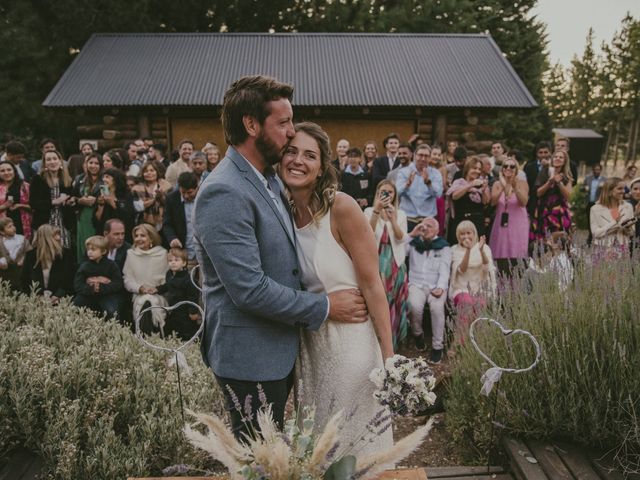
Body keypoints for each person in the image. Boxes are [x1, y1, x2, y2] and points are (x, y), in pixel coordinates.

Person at [193, 75, 367, 438]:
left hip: (282, 349)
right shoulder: (223, 191)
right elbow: (249, 289)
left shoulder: (269, 177)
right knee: (254, 460)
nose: (291, 132)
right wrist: (325, 307)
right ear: (251, 124)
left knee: (276, 456)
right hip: (249, 357)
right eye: (284, 122)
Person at [280, 121, 393, 456]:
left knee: (351, 448)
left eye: (309, 155)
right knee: (316, 450)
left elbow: (373, 285)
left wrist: (390, 359)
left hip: (350, 348)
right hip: (310, 349)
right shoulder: (282, 213)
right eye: (291, 151)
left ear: (321, 167)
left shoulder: (341, 208)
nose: (298, 160)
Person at [364, 180, 409, 351]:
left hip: (395, 263)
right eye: (383, 191)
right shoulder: (368, 211)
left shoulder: (401, 214)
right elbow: (366, 234)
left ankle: (393, 343)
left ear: (394, 195)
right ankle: (375, 344)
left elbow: (400, 238)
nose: (387, 195)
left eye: (390, 192)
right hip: (376, 262)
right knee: (378, 302)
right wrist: (376, 211)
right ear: (377, 193)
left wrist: (393, 219)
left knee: (393, 303)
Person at [404, 217, 451, 363]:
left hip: (435, 285)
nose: (426, 228)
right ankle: (418, 334)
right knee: (414, 305)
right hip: (416, 284)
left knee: (437, 308)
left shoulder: (443, 246)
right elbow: (398, 249)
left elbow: (445, 270)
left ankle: (437, 347)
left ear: (437, 230)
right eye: (423, 225)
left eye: (430, 226)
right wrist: (413, 233)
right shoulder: (413, 243)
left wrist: (441, 287)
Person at [449, 221, 496, 338]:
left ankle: (478, 342)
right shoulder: (454, 249)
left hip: (480, 288)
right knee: (467, 303)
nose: (465, 236)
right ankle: (460, 342)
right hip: (461, 288)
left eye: (468, 233)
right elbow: (461, 270)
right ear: (457, 236)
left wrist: (480, 251)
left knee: (480, 305)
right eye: (462, 234)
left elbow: (487, 268)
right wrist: (468, 251)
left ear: (474, 233)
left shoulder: (485, 247)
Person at [122, 223, 169, 334]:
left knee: (152, 301)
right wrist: (140, 288)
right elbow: (127, 279)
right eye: (136, 236)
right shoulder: (131, 254)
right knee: (145, 301)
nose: (138, 239)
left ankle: (154, 338)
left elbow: (168, 279)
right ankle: (145, 337)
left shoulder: (162, 254)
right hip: (139, 295)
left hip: (159, 294)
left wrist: (156, 289)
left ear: (151, 237)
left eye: (142, 235)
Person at [489, 158, 529, 277]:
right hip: (501, 224)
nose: (508, 168)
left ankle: (517, 286)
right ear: (502, 169)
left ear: (516, 170)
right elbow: (493, 202)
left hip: (518, 224)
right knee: (500, 252)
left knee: (516, 254)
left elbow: (523, 202)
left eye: (512, 166)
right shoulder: (497, 184)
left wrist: (514, 186)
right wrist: (503, 184)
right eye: (505, 166)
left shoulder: (522, 183)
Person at [29, 150, 76, 250]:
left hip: (63, 223)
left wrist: (71, 202)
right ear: (45, 164)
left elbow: (71, 199)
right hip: (44, 223)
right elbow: (33, 203)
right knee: (44, 252)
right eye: (48, 159)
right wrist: (54, 202)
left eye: (55, 159)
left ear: (60, 161)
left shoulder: (67, 180)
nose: (52, 162)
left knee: (63, 253)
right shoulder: (38, 179)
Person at [73, 235, 124, 319]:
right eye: (88, 249)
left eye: (93, 249)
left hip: (107, 295)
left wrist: (100, 287)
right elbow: (78, 285)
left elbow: (118, 283)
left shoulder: (111, 265)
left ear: (103, 251)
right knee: (76, 307)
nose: (89, 252)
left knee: (111, 311)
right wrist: (92, 288)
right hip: (87, 294)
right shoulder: (84, 266)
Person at [396, 144, 444, 233]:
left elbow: (438, 194)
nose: (423, 158)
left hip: (427, 220)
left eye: (426, 156)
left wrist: (428, 183)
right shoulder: (404, 172)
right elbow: (397, 192)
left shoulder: (435, 173)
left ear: (430, 158)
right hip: (408, 218)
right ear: (414, 156)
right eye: (420, 155)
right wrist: (407, 185)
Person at [21, 224, 75, 302]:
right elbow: (25, 280)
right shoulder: (31, 256)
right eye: (55, 235)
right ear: (45, 238)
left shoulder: (66, 255)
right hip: (36, 301)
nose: (59, 238)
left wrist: (58, 295)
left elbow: (70, 279)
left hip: (60, 301)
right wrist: (37, 296)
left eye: (59, 234)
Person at [157, 247, 201, 341]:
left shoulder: (188, 279)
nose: (173, 262)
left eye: (176, 260)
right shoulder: (169, 274)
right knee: (171, 329)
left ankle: (191, 346)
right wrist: (157, 289)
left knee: (187, 331)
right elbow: (167, 286)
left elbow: (193, 295)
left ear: (184, 263)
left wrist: (193, 311)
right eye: (170, 260)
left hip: (184, 311)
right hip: (173, 308)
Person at [530, 149, 573, 243]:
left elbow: (568, 196)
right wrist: (550, 182)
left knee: (560, 240)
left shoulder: (567, 176)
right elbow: (538, 193)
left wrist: (559, 183)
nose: (557, 158)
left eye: (561, 157)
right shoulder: (544, 172)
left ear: (565, 161)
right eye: (556, 157)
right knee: (544, 240)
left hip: (560, 212)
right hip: (544, 209)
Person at [446, 156, 490, 244]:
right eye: (474, 168)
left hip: (477, 221)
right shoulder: (459, 182)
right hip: (461, 221)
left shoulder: (481, 182)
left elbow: (486, 202)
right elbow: (454, 196)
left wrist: (484, 189)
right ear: (468, 168)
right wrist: (470, 185)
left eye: (479, 169)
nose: (477, 171)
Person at [163, 172, 199, 265]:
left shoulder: (204, 197)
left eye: (189, 192)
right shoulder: (171, 199)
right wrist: (172, 238)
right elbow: (167, 223)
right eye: (183, 192)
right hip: (183, 253)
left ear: (197, 188)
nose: (186, 196)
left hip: (201, 251)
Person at [589, 177, 635, 249]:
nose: (623, 191)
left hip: (623, 248)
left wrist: (628, 228)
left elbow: (632, 233)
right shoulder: (595, 209)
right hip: (603, 248)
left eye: (624, 188)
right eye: (619, 188)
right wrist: (614, 222)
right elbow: (596, 233)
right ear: (609, 192)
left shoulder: (628, 207)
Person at [73, 153, 103, 259]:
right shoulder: (80, 179)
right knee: (83, 243)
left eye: (96, 163)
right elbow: (73, 197)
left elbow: (107, 197)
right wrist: (79, 201)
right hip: (82, 216)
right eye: (91, 163)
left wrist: (96, 201)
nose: (93, 166)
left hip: (96, 216)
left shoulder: (104, 180)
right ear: (86, 164)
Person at [93, 168, 135, 242]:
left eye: (107, 177)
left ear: (116, 179)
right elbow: (97, 219)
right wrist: (101, 205)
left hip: (122, 233)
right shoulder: (101, 193)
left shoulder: (126, 195)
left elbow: (128, 216)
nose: (104, 179)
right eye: (103, 177)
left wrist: (112, 203)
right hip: (104, 232)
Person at [131, 161, 171, 231]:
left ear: (157, 172)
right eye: (146, 171)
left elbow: (170, 204)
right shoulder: (136, 189)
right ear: (142, 174)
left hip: (163, 223)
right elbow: (137, 207)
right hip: (143, 223)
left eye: (152, 170)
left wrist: (161, 197)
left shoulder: (166, 186)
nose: (149, 173)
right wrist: (154, 199)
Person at [0, 160, 32, 240]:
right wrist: (4, 206)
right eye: (2, 171)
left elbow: (35, 206)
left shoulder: (25, 186)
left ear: (14, 171)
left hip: (23, 225)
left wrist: (20, 205)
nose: (6, 173)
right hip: (2, 228)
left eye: (9, 170)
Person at [0, 217, 31, 290]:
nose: (13, 228)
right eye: (9, 227)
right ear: (2, 232)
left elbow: (30, 253)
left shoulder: (21, 239)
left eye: (13, 225)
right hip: (5, 275)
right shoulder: (1, 243)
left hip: (21, 273)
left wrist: (24, 258)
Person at [524, 141, 552, 216]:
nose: (543, 155)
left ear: (550, 153)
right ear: (537, 154)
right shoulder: (529, 166)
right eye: (540, 152)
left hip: (550, 201)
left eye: (546, 152)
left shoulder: (554, 165)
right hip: (533, 201)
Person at [583, 163, 606, 245]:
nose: (596, 171)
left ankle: (599, 238)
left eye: (598, 169)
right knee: (590, 221)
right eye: (595, 169)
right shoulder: (588, 179)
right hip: (589, 203)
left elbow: (608, 191)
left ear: (600, 170)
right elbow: (582, 188)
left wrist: (603, 187)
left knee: (599, 221)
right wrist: (584, 188)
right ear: (593, 170)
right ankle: (590, 238)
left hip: (599, 204)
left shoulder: (604, 180)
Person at [628, 177, 640, 252]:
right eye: (635, 189)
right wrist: (635, 215)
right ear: (630, 190)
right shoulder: (623, 205)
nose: (638, 192)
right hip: (629, 245)